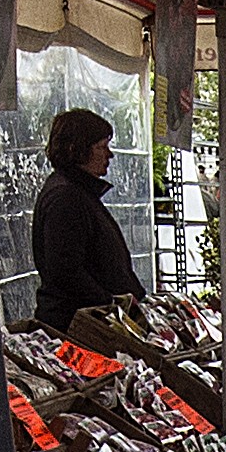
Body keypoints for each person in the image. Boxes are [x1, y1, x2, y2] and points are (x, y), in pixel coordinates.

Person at [32, 107, 139, 326]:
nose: (109, 154)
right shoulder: (66, 197)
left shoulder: (78, 192)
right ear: (78, 150)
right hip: (79, 324)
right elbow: (65, 270)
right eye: (102, 147)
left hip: (90, 318)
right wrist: (108, 303)